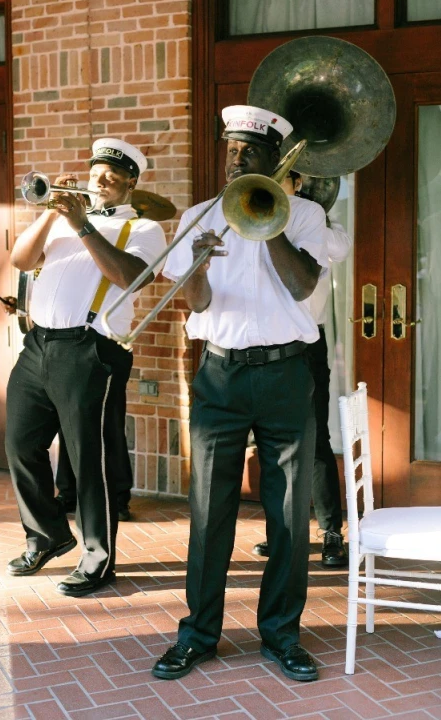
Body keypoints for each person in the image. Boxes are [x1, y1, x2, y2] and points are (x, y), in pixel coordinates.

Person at [152, 105, 328, 684]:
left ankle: (281, 636)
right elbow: (198, 303)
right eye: (230, 149)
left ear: (276, 159)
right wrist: (198, 265)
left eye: (248, 152)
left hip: (285, 375)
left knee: (286, 514)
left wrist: (267, 223)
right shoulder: (200, 215)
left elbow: (304, 286)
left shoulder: (303, 215)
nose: (236, 158)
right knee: (209, 511)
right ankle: (198, 635)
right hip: (221, 375)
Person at [5, 138, 166, 597]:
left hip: (91, 348)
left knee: (87, 459)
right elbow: (20, 259)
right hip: (39, 346)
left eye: (112, 178)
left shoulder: (144, 228)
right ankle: (48, 535)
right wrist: (53, 214)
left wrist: (81, 226)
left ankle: (99, 557)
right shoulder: (61, 221)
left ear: (131, 182)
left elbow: (129, 276)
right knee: (20, 444)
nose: (101, 182)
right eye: (97, 175)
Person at [252, 170, 352, 568]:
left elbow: (340, 248)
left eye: (291, 180)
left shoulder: (319, 221)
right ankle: (280, 531)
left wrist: (311, 209)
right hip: (264, 341)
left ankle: (330, 532)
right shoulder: (255, 212)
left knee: (315, 439)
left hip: (307, 343)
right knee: (271, 441)